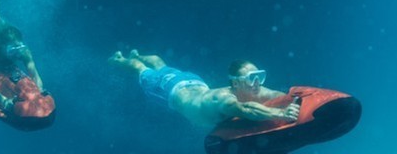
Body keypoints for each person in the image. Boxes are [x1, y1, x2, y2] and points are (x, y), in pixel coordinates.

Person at [109, 50, 300, 129]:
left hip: (194, 82)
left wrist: (292, 100)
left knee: (162, 65)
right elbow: (246, 109)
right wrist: (280, 113)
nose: (257, 82)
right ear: (235, 83)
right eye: (251, 78)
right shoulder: (223, 99)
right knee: (142, 69)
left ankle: (138, 53)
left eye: (260, 76)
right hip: (169, 89)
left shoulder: (250, 88)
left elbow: (275, 94)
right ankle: (119, 59)